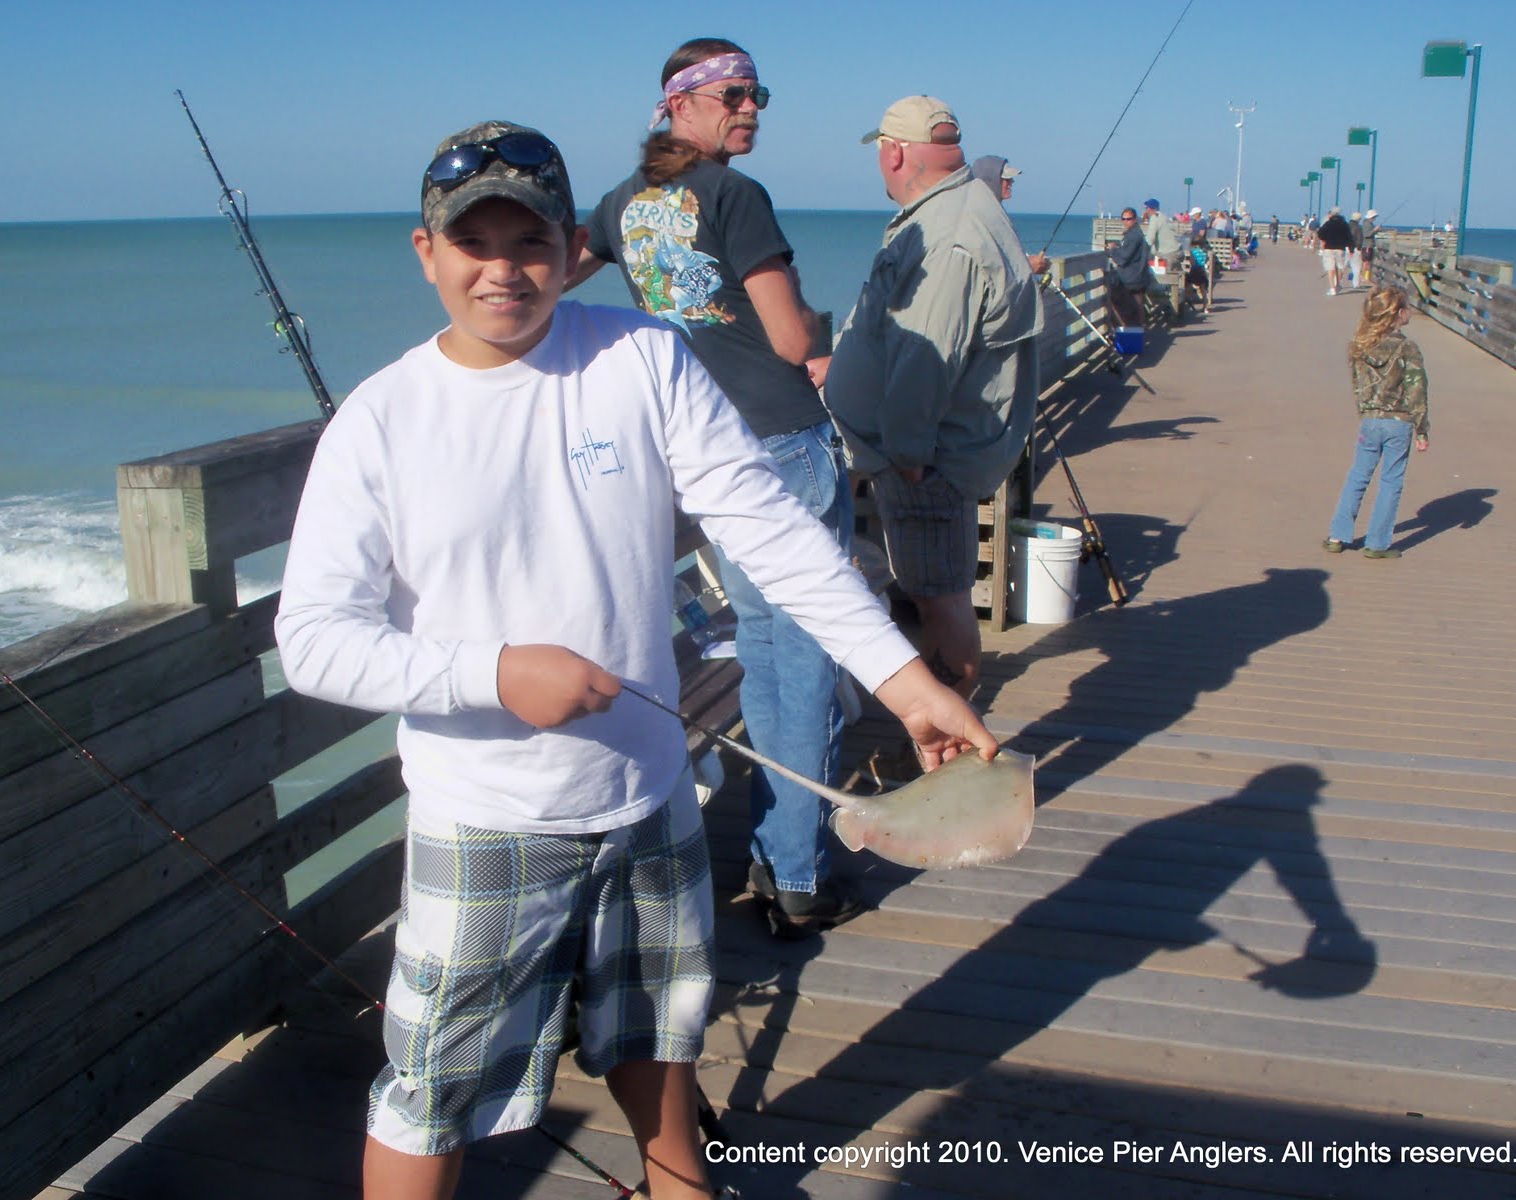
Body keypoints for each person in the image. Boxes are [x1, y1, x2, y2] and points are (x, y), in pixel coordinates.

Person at [273, 119, 998, 1200]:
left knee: (660, 1034)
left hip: (647, 793)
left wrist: (906, 680)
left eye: (530, 242)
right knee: (430, 1086)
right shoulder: (382, 420)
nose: (502, 270)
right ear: (427, 253)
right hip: (484, 818)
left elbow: (771, 528)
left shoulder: (642, 357)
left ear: (573, 249)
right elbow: (314, 641)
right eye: (473, 242)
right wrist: (493, 672)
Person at [574, 38, 858, 937]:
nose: (752, 107)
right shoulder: (736, 196)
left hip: (708, 457)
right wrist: (817, 326)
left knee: (767, 657)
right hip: (785, 440)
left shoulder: (627, 204)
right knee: (801, 658)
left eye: (757, 92)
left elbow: (548, 277)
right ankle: (798, 873)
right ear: (681, 104)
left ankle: (778, 855)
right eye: (734, 93)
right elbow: (784, 339)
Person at [825, 95, 1043, 704]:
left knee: (940, 598)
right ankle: (943, 733)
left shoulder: (950, 236)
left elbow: (926, 360)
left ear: (893, 152)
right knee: (932, 592)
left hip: (927, 460)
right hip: (931, 453)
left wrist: (908, 456)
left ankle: (948, 748)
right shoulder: (957, 207)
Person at [1324, 286, 1431, 559]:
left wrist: (1366, 413)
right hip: (1399, 422)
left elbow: (1358, 386)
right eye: (1407, 307)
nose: (1410, 311)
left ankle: (1338, 535)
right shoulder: (1408, 348)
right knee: (1391, 481)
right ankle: (1377, 543)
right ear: (1397, 313)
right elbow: (1416, 389)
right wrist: (1422, 429)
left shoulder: (1360, 345)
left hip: (1370, 421)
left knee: (1358, 474)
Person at [972, 154, 1051, 274]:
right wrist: (1027, 266)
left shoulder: (995, 213)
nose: (1011, 182)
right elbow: (986, 265)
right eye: (1006, 179)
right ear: (990, 181)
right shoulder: (979, 217)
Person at [1104, 206, 1150, 328]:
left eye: (1129, 219)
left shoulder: (1133, 236)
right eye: (1123, 219)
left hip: (1131, 278)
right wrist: (1118, 247)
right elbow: (1129, 252)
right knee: (1138, 304)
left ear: (1135, 219)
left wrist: (1112, 250)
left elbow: (1123, 259)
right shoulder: (1136, 233)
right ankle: (1139, 330)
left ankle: (1125, 329)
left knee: (1111, 300)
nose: (1125, 221)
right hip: (1138, 275)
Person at [1317, 206, 1354, 296]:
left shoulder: (1328, 223)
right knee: (1340, 267)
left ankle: (1333, 288)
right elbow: (1349, 237)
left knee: (1330, 268)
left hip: (1329, 248)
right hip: (1340, 248)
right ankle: (1337, 284)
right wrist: (1351, 249)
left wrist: (1325, 239)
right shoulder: (1344, 224)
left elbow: (1320, 233)